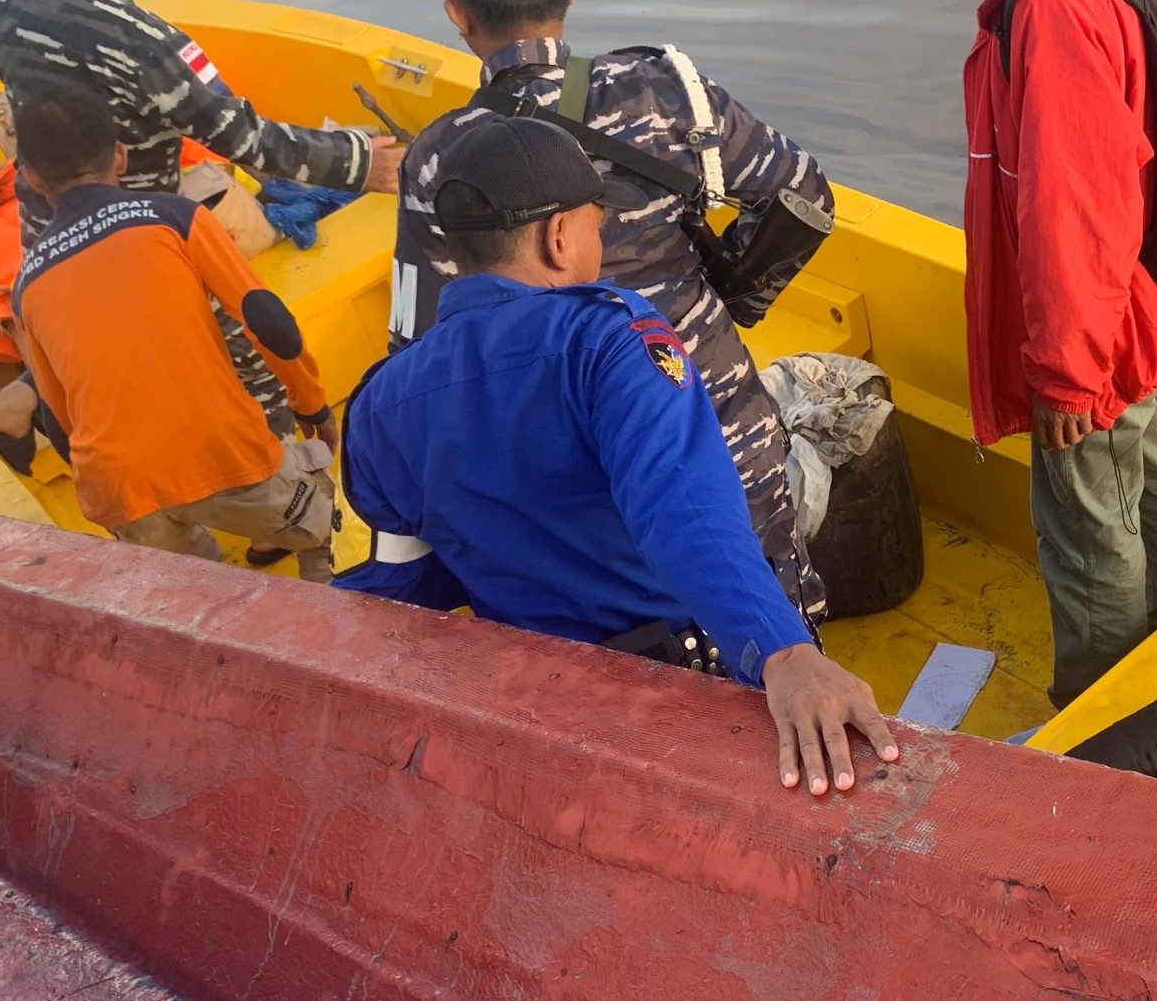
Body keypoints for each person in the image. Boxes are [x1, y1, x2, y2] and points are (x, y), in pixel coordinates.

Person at [339, 114, 897, 799]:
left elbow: (406, 587)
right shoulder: (606, 338)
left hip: (535, 712)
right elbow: (680, 510)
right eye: (597, 227)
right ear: (559, 235)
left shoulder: (378, 404)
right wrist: (783, 652)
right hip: (684, 689)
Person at [855, 0, 1157, 706]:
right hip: (1150, 300)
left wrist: (1062, 371)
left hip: (1091, 326)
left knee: (1087, 539)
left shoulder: (1049, 3)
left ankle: (1103, 736)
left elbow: (1071, 205)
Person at [391, 0, 836, 624]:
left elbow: (418, 345)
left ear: (456, 13)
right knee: (780, 630)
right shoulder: (668, 93)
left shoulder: (441, 157)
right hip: (725, 440)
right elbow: (803, 196)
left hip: (574, 488)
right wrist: (734, 297)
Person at [0, 0, 403, 462]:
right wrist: (360, 161)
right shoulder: (145, 41)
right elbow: (246, 140)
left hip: (46, 237)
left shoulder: (5, 9)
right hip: (140, 242)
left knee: (90, 337)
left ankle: (13, 411)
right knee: (237, 339)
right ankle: (276, 484)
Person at [8, 86, 340, 582]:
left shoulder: (26, 283)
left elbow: (59, 418)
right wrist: (311, 404)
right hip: (222, 455)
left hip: (119, 490)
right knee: (322, 507)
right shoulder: (174, 217)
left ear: (30, 178)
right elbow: (267, 319)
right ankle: (323, 596)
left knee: (193, 590)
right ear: (119, 156)